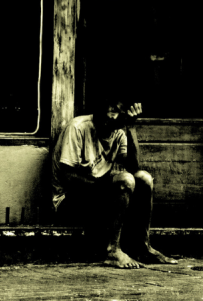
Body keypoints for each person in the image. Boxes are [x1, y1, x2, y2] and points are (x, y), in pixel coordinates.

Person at [51, 96, 177, 269]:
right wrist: (106, 188)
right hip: (69, 202)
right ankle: (113, 250)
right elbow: (68, 177)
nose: (106, 125)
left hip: (96, 200)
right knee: (124, 181)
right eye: (104, 118)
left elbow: (134, 166)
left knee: (144, 178)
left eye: (114, 119)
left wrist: (131, 127)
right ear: (97, 114)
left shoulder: (118, 131)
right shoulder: (78, 127)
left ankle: (143, 246)